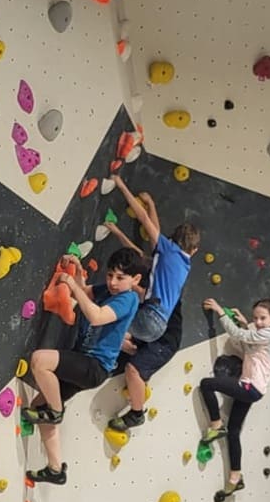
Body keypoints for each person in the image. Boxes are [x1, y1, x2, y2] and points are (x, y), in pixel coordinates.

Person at [23, 248, 142, 485]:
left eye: (120, 278)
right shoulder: (106, 290)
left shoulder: (128, 299)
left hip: (94, 366)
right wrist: (77, 271)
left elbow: (96, 316)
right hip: (84, 360)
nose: (113, 282)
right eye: (110, 275)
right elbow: (84, 294)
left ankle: (56, 412)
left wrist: (72, 285)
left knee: (39, 361)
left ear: (135, 280)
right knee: (40, 405)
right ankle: (55, 468)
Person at [101, 218, 188, 432]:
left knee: (133, 369)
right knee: (122, 341)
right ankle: (129, 349)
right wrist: (116, 230)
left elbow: (140, 254)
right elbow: (135, 252)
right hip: (151, 332)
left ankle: (137, 414)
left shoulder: (159, 284)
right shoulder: (155, 271)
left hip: (165, 339)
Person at [199, 298, 270, 502]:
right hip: (253, 388)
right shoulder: (264, 334)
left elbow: (238, 335)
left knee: (207, 384)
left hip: (250, 387)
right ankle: (236, 477)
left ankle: (216, 425)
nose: (259, 322)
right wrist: (245, 324)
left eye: (263, 318)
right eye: (256, 318)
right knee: (233, 431)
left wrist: (219, 311)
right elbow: (248, 346)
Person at [111, 174, 199, 344]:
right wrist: (150, 204)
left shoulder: (170, 250)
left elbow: (144, 219)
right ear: (194, 250)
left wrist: (121, 185)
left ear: (172, 240)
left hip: (149, 317)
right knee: (116, 320)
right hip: (158, 329)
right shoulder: (184, 265)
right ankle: (123, 342)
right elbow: (142, 253)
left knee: (108, 310)